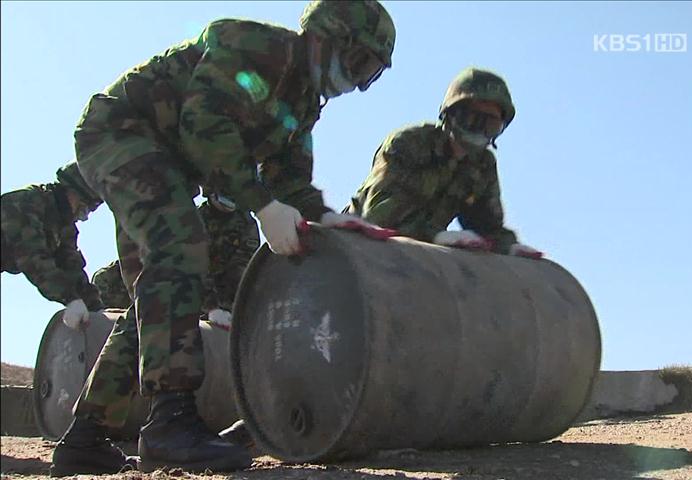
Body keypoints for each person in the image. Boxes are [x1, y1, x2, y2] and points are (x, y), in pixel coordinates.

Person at [50, 1, 397, 475]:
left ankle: (84, 439)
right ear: (326, 37)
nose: (356, 83)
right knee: (180, 250)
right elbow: (203, 123)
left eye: (370, 76)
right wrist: (261, 204)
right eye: (358, 63)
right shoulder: (255, 47)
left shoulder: (302, 102)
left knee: (155, 297)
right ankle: (169, 425)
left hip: (162, 159)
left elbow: (291, 175)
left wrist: (321, 217)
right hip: (121, 134)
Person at [345, 67, 542, 259]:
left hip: (413, 258)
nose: (480, 130)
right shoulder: (409, 144)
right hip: (355, 245)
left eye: (491, 125)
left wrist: (509, 247)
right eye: (474, 118)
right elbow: (378, 216)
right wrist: (435, 236)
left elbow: (487, 226)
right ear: (451, 114)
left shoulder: (482, 165)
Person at [93, 192, 261, 329]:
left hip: (210, 295)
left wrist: (223, 310)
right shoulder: (191, 219)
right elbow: (193, 264)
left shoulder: (245, 227)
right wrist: (212, 307)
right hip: (169, 280)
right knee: (106, 283)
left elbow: (240, 273)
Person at [1, 162, 104, 329]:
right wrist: (70, 299)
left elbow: (71, 267)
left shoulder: (64, 226)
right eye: (84, 207)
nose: (82, 215)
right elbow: (33, 258)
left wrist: (97, 311)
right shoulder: (24, 204)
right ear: (71, 191)